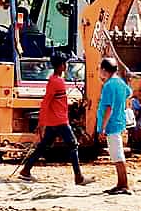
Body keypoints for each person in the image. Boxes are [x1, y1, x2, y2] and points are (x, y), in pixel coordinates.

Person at [18, 53, 92, 185]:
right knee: (73, 145)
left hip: (55, 121)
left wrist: (43, 122)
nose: (66, 65)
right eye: (65, 63)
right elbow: (46, 103)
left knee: (43, 146)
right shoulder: (56, 82)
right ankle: (78, 177)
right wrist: (41, 123)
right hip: (60, 121)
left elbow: (50, 102)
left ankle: (26, 170)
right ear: (61, 65)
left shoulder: (55, 80)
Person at [97, 57, 132, 195]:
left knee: (117, 155)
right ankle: (121, 184)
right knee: (117, 154)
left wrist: (103, 128)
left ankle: (124, 185)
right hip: (119, 121)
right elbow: (129, 93)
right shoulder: (120, 83)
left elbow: (108, 108)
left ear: (104, 70)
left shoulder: (109, 85)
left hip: (112, 124)